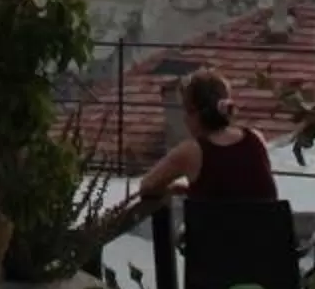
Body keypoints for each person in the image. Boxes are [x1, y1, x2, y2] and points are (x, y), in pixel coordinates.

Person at [77, 69, 281, 273]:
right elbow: (241, 185)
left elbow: (147, 186)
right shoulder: (256, 139)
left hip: (213, 271)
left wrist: (181, 190)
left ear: (193, 114)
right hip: (268, 265)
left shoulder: (191, 151)